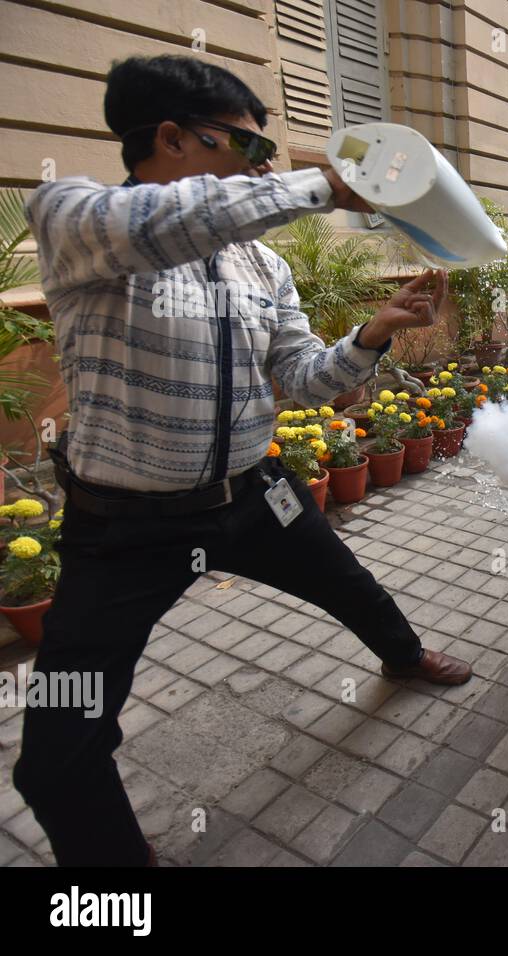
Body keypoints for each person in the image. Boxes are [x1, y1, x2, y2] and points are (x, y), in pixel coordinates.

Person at [14, 54, 474, 867]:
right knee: (57, 753)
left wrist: (373, 334)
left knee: (350, 583)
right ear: (172, 137)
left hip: (253, 494)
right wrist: (324, 185)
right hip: (123, 528)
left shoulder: (264, 266)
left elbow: (303, 379)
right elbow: (166, 225)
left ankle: (403, 658)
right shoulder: (72, 214)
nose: (263, 168)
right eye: (252, 149)